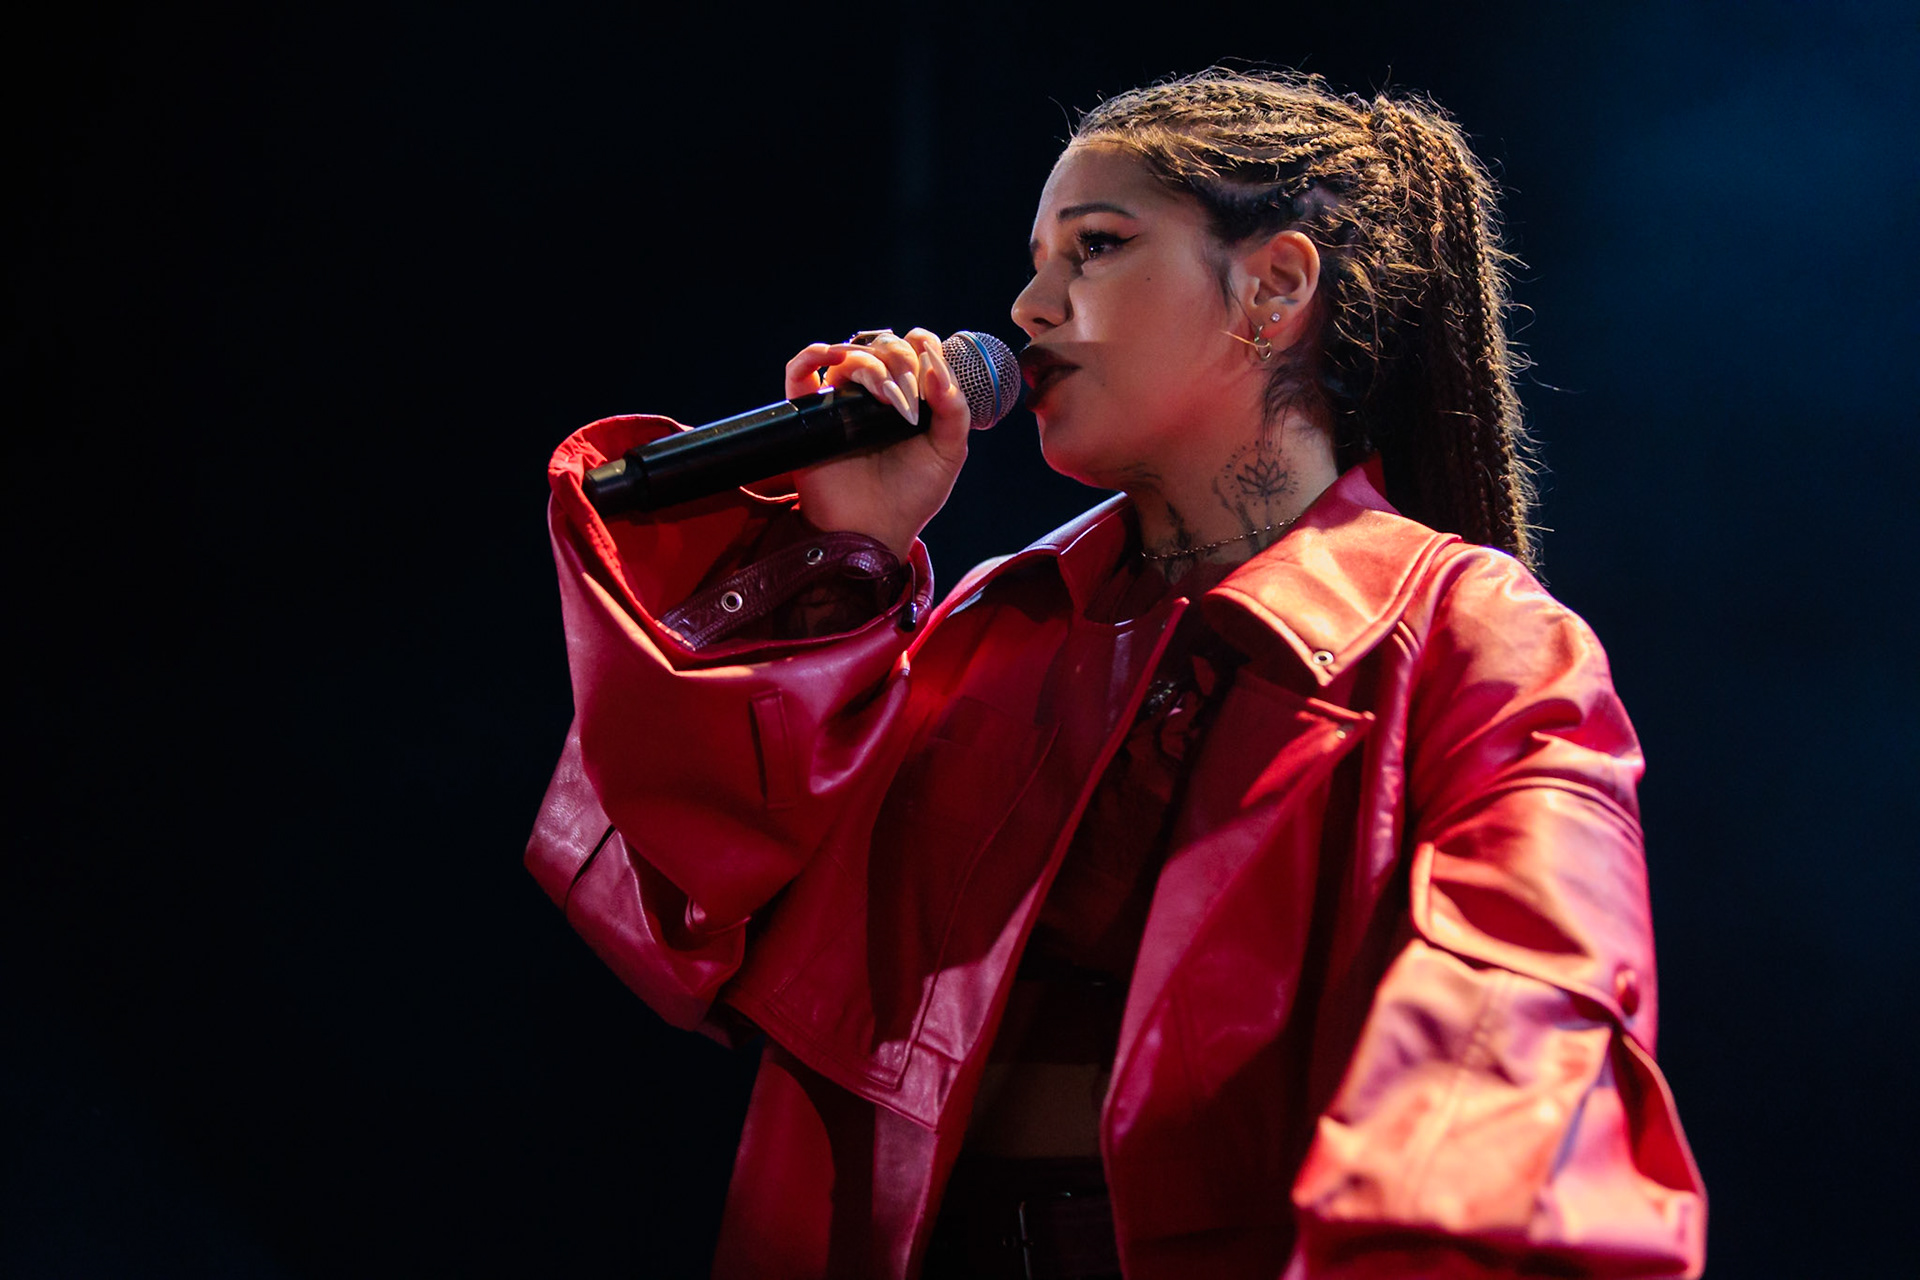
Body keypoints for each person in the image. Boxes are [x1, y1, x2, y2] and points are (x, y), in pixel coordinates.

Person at [527, 69, 1706, 1280]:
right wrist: (849, 552)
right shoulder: (1003, 623)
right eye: (1037, 259)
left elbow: (1514, 1041)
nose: (1029, 308)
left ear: (1276, 287)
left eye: (1094, 248)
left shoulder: (1473, 636)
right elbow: (695, 908)